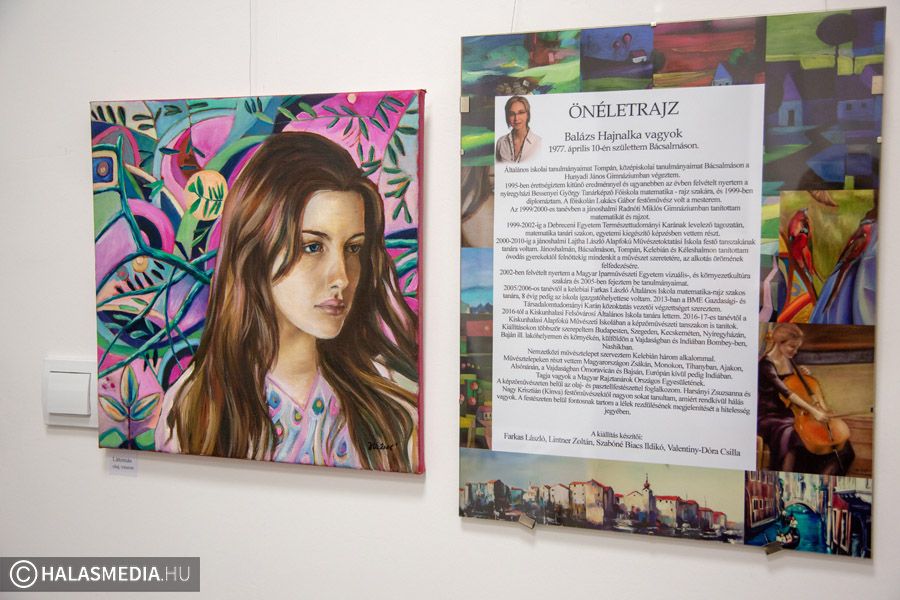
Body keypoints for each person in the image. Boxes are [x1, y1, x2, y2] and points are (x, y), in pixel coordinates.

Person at [156, 132, 420, 473]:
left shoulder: (393, 406)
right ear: (256, 251)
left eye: (353, 248)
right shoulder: (193, 407)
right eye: (313, 247)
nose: (341, 277)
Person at [757, 323, 853, 475]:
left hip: (794, 414)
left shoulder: (789, 360)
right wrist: (814, 411)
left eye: (797, 348)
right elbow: (787, 392)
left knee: (844, 447)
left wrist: (803, 375)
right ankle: (787, 475)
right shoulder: (765, 365)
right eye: (792, 347)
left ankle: (825, 478)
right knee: (793, 436)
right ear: (779, 342)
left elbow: (795, 386)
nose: (795, 352)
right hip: (771, 416)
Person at [495, 95, 541, 163]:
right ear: (507, 117)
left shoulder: (538, 143)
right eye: (512, 114)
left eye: (521, 113)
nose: (516, 118)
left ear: (527, 115)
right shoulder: (501, 142)